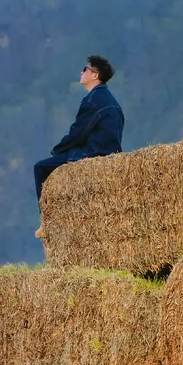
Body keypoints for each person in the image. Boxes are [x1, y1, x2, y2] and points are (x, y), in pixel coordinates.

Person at [33, 55, 124, 238]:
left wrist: (58, 150)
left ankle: (46, 220)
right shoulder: (112, 101)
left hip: (91, 153)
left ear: (94, 75)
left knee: (41, 168)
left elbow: (78, 132)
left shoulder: (92, 101)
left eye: (85, 69)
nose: (81, 72)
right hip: (110, 153)